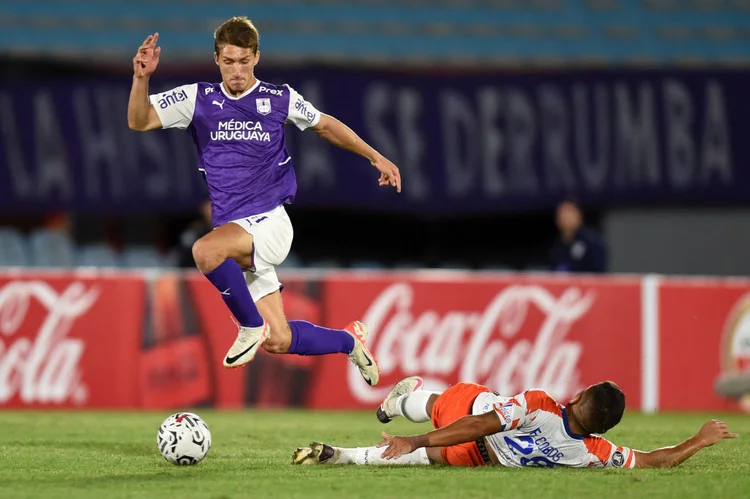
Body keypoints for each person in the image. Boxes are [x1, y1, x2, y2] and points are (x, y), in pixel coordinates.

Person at [127, 17, 402, 385]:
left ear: (256, 57)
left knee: (205, 252)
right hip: (236, 233)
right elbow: (139, 121)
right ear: (216, 60)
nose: (236, 70)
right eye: (228, 61)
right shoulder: (198, 99)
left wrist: (375, 156)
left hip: (270, 224)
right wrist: (141, 78)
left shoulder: (278, 98)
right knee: (279, 339)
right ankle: (349, 341)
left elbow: (325, 124)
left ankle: (247, 326)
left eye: (243, 61)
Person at [293, 376, 738, 468]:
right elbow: (654, 460)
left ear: (579, 396)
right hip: (475, 449)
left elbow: (482, 423)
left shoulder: (542, 402)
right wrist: (697, 440)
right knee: (438, 427)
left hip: (471, 422)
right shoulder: (595, 452)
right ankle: (403, 403)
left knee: (456, 409)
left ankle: (405, 405)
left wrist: (416, 440)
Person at [548, 199, 608, 273]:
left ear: (579, 216)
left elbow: (599, 272)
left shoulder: (591, 241)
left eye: (570, 213)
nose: (566, 218)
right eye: (562, 214)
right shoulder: (557, 246)